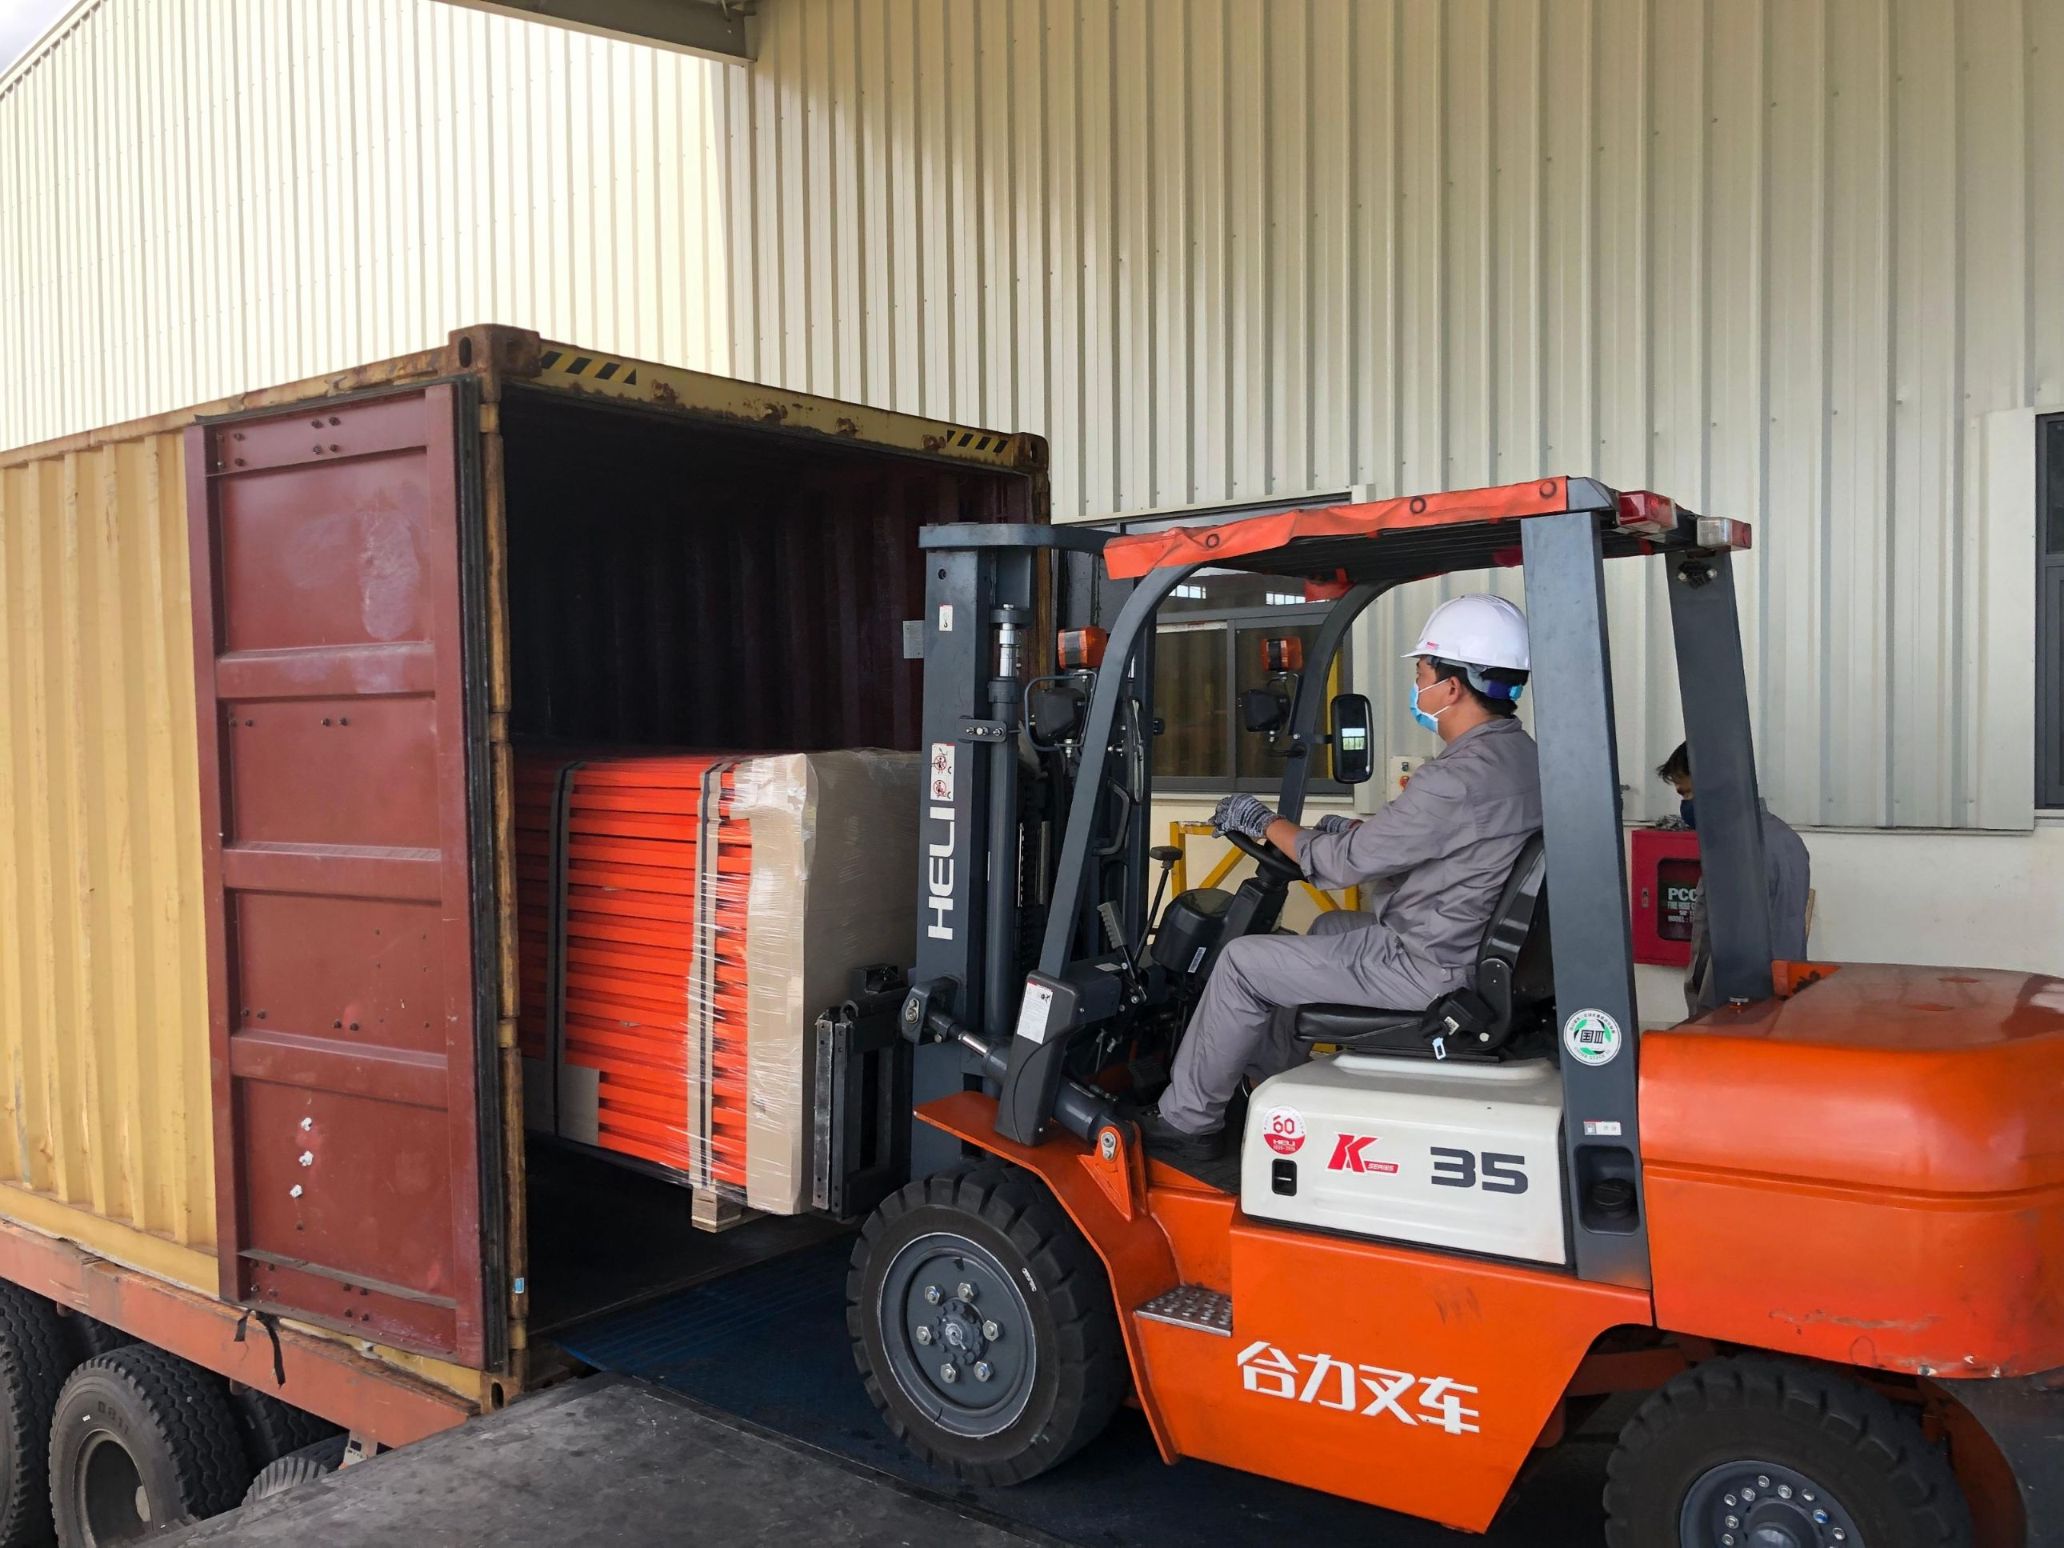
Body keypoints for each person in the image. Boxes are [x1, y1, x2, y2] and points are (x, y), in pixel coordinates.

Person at [1139, 594, 1542, 1161]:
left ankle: (1188, 1122)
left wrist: (1262, 821)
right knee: (1329, 927)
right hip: (1467, 947)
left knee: (1242, 962)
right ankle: (1267, 1087)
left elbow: (1341, 865)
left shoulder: (1456, 777)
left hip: (1429, 965)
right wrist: (1342, 828)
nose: (1418, 687)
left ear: (1452, 687)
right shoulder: (1519, 758)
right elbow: (1438, 840)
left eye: (1422, 675)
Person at [1655, 742, 1811, 1017]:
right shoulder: (1786, 838)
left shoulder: (1736, 851)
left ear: (1715, 786)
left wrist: (1704, 1015)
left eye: (1687, 793)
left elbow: (1723, 948)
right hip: (1783, 995)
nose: (1685, 805)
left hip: (1737, 1008)